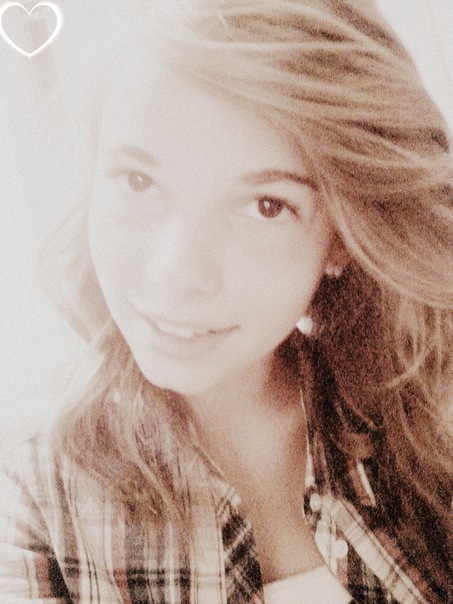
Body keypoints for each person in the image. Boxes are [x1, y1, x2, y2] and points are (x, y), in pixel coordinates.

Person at [0, 0, 452, 602]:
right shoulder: (32, 499)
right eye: (138, 181)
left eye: (267, 206)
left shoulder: (427, 427)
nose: (176, 273)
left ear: (342, 238)